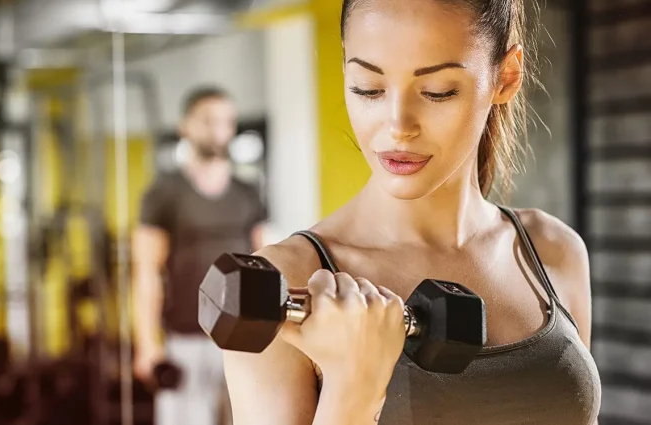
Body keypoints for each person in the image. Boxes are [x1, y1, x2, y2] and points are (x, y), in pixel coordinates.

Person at [222, 0, 603, 424]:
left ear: (506, 76)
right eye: (369, 87)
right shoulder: (283, 284)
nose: (398, 125)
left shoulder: (552, 250)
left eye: (438, 91)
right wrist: (354, 385)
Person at [132, 86, 268, 425]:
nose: (219, 130)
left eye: (226, 121)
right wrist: (148, 344)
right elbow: (146, 273)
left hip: (243, 337)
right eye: (208, 121)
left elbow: (267, 263)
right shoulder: (164, 192)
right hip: (186, 338)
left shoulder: (248, 192)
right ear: (185, 126)